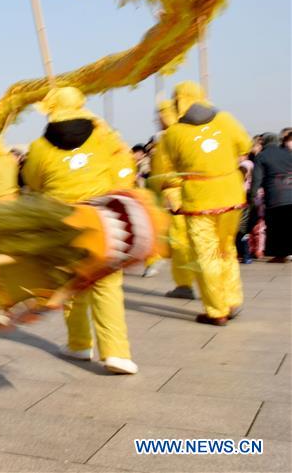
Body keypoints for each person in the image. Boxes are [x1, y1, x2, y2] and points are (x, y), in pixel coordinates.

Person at [22, 87, 137, 375]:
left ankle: (79, 343)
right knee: (107, 285)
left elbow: (33, 180)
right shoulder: (104, 135)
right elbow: (125, 167)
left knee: (72, 283)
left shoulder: (39, 146)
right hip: (102, 218)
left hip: (63, 222)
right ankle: (116, 353)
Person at [161, 81, 251, 326]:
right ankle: (232, 300)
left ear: (177, 101)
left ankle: (216, 310)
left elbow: (167, 173)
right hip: (231, 197)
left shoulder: (173, 133)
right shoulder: (226, 120)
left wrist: (173, 199)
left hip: (198, 200)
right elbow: (245, 145)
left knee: (206, 256)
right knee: (226, 250)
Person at [148, 101, 196, 299]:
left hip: (174, 195)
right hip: (196, 194)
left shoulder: (168, 139)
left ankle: (185, 285)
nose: (157, 120)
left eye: (159, 115)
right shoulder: (191, 134)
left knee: (179, 242)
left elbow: (160, 173)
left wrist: (157, 193)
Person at [249, 132, 292, 262]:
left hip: (275, 196)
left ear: (264, 142)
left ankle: (281, 255)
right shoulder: (288, 153)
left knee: (276, 226)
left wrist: (252, 195)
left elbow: (257, 179)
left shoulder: (261, 156)